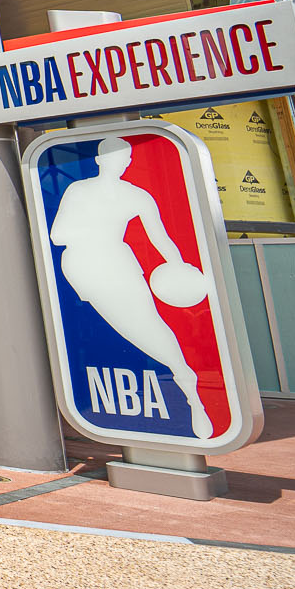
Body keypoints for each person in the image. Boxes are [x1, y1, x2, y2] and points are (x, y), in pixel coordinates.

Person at [48, 136, 213, 437]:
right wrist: (98, 230)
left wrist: (177, 265)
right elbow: (58, 235)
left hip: (119, 261)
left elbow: (160, 238)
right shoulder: (78, 190)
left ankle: (187, 383)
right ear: (99, 161)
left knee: (150, 322)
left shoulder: (138, 196)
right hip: (84, 266)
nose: (122, 164)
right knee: (127, 326)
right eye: (115, 158)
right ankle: (180, 377)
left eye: (125, 159)